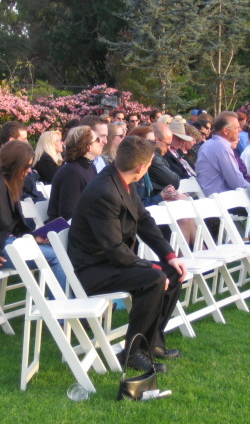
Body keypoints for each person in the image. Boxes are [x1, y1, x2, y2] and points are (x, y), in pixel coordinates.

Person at [68, 136, 186, 373]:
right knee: (155, 278)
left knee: (173, 272)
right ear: (141, 168)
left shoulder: (122, 179)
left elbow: (143, 220)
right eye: (150, 164)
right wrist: (153, 268)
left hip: (112, 262)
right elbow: (114, 249)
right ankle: (132, 353)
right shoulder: (104, 191)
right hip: (94, 269)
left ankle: (152, 343)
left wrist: (169, 256)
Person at [0, 140, 66, 289]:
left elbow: (13, 222)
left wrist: (33, 237)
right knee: (55, 256)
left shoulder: (7, 182)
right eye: (26, 166)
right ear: (14, 164)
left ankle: (64, 300)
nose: (29, 171)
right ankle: (61, 302)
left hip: (10, 242)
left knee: (59, 251)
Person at [47, 126, 101, 221]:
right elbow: (68, 213)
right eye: (97, 140)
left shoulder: (89, 166)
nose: (102, 142)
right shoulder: (72, 173)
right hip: (69, 227)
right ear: (88, 147)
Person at [195, 111, 250, 195]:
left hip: (214, 196)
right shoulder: (222, 148)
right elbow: (236, 183)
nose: (240, 130)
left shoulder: (207, 144)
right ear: (225, 131)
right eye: (236, 128)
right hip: (222, 199)